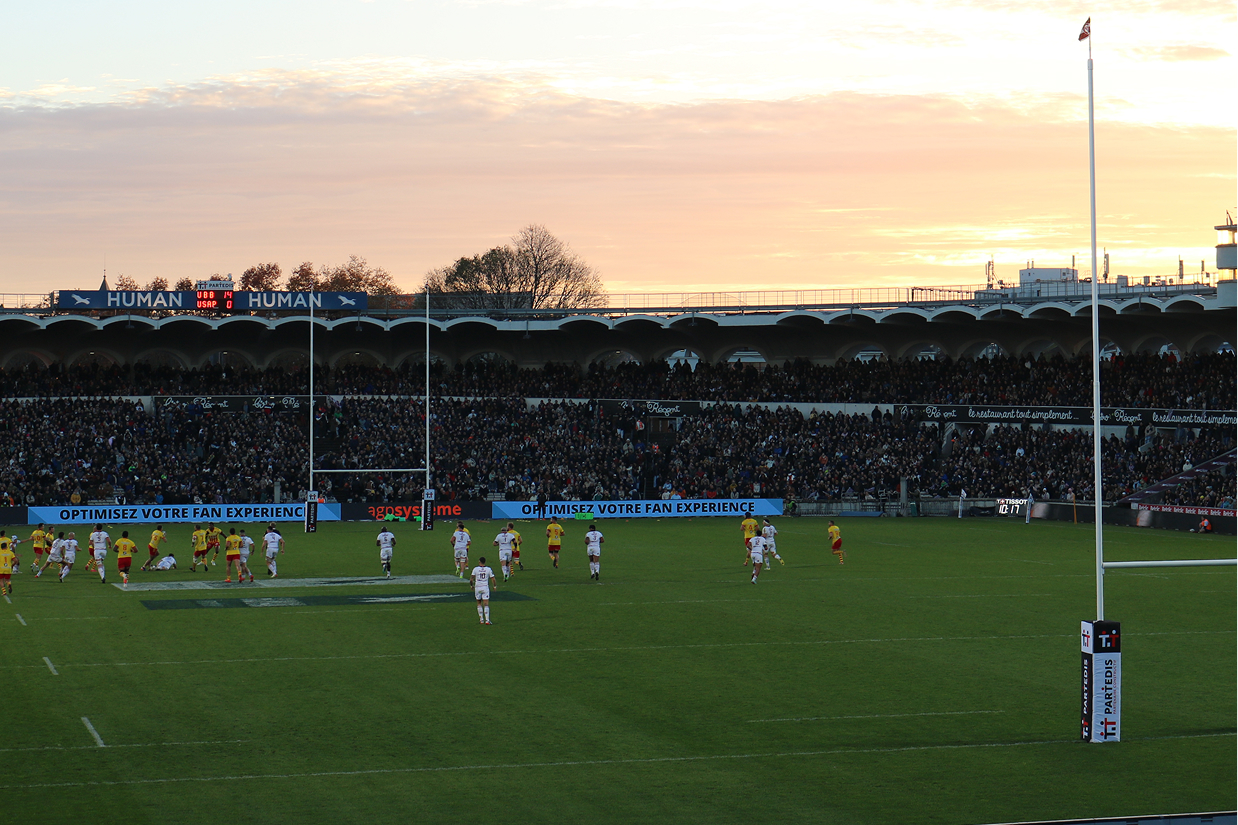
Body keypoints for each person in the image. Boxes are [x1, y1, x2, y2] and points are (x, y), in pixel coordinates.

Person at [470, 555, 496, 625]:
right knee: (486, 604)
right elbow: (493, 579)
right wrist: (494, 586)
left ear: (479, 562)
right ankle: (487, 620)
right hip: (485, 587)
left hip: (478, 587)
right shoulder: (488, 569)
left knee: (479, 603)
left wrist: (471, 585)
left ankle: (481, 620)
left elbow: (471, 579)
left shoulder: (475, 569)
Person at [0, 531, 19, 596]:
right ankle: (9, 584)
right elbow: (16, 560)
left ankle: (4, 592)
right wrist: (12, 565)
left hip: (1, 569)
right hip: (8, 568)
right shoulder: (10, 553)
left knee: (1, 581)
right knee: (7, 580)